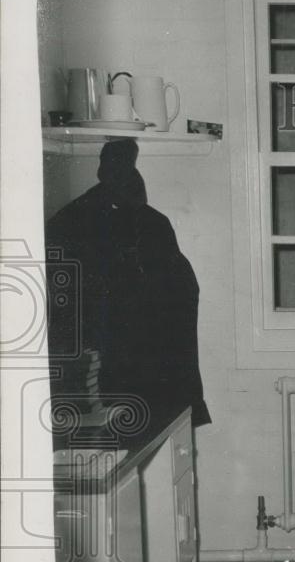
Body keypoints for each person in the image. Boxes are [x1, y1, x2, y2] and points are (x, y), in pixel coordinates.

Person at [45, 138, 211, 434]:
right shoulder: (73, 223)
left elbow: (183, 297)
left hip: (144, 372)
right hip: (108, 374)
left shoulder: (150, 224)